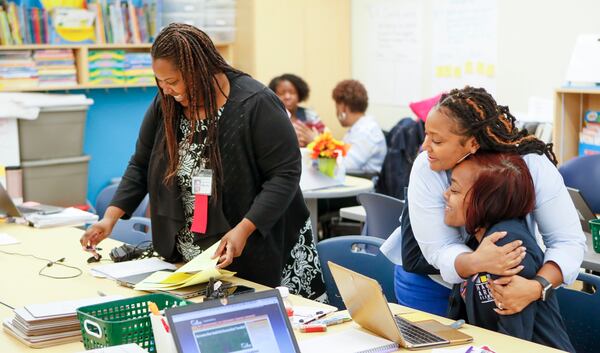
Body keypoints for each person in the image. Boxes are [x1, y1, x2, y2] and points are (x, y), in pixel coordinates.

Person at [80, 24, 325, 300]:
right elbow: (140, 163)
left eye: (172, 81)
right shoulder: (166, 104)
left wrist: (244, 229)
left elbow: (285, 176)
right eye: (160, 82)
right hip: (195, 262)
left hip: (260, 248)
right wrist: (109, 218)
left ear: (198, 69)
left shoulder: (256, 103)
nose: (166, 90)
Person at [382, 86, 586, 316]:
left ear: (472, 144)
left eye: (437, 141)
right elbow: (440, 248)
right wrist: (478, 261)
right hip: (432, 282)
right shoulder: (427, 166)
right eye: (426, 135)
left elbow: (567, 242)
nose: (425, 147)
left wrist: (536, 287)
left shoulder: (531, 165)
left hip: (507, 286)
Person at [443, 152, 574, 352]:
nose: (445, 194)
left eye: (454, 189)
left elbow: (514, 343)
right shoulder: (477, 242)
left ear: (483, 201)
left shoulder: (507, 246)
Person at [332, 79, 387, 175]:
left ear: (343, 107)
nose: (336, 112)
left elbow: (343, 165)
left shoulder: (367, 132)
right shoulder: (359, 128)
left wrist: (319, 146)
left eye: (337, 107)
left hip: (360, 186)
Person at [269, 73, 325, 147]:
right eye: (282, 93)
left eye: (292, 92)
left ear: (300, 94)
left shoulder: (310, 115)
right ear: (274, 96)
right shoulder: (270, 118)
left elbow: (327, 142)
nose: (287, 97)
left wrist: (314, 140)